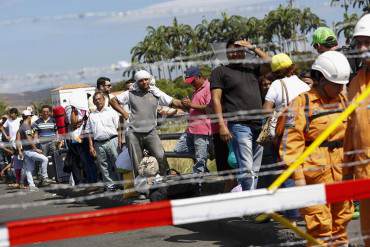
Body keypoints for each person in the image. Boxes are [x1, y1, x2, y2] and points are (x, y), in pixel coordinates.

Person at [280, 51, 353, 245]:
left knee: (341, 225)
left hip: (341, 173)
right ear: (320, 78)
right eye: (336, 84)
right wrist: (299, 179)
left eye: (342, 84)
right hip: (313, 178)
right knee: (320, 228)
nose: (340, 88)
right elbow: (291, 145)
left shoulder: (344, 101)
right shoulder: (301, 104)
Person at [211, 38, 270, 191]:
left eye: (240, 50)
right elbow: (216, 100)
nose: (237, 53)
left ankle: (251, 202)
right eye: (233, 50)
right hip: (239, 125)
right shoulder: (220, 72)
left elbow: (271, 64)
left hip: (259, 124)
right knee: (246, 167)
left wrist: (253, 47)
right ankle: (250, 205)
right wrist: (222, 126)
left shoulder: (251, 68)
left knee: (255, 169)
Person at [110, 70, 183, 177]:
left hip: (151, 132)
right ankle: (142, 187)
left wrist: (185, 104)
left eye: (146, 79)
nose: (144, 82)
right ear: (137, 82)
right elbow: (113, 101)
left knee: (160, 156)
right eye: (141, 81)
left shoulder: (156, 92)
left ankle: (164, 181)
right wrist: (124, 113)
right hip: (133, 133)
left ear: (149, 80)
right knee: (137, 162)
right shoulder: (130, 93)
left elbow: (173, 102)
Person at [343, 13, 370, 247]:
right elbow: (351, 128)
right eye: (359, 42)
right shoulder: (355, 82)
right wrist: (347, 171)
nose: (362, 48)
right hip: (363, 173)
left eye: (368, 42)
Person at [174, 66, 211, 173]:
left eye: (193, 81)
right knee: (179, 149)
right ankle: (206, 155)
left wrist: (191, 104)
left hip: (202, 129)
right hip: (192, 128)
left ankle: (200, 181)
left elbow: (209, 107)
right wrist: (188, 105)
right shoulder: (197, 90)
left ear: (199, 76)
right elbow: (196, 107)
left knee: (200, 159)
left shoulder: (208, 88)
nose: (191, 83)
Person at [87, 92, 120, 191]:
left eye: (99, 99)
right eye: (95, 99)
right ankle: (110, 185)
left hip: (113, 140)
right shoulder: (91, 116)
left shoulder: (111, 111)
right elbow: (89, 132)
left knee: (117, 163)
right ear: (93, 102)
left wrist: (119, 141)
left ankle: (121, 183)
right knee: (103, 165)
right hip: (98, 143)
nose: (98, 101)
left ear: (104, 100)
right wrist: (91, 146)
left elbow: (118, 127)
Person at [18, 110, 50, 191]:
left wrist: (19, 151)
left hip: (26, 150)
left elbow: (17, 140)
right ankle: (44, 176)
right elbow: (29, 139)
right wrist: (35, 149)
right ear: (28, 117)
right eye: (31, 116)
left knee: (28, 169)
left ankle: (32, 185)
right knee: (44, 159)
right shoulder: (26, 127)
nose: (31, 118)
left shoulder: (21, 127)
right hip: (30, 150)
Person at [32, 105, 60, 179]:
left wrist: (58, 140)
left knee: (54, 158)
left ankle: (54, 174)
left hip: (52, 143)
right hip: (42, 144)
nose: (46, 113)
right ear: (41, 112)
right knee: (43, 159)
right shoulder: (36, 122)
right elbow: (35, 133)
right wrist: (35, 143)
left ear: (50, 112)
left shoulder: (54, 120)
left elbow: (56, 131)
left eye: (47, 112)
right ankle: (43, 176)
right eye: (44, 112)